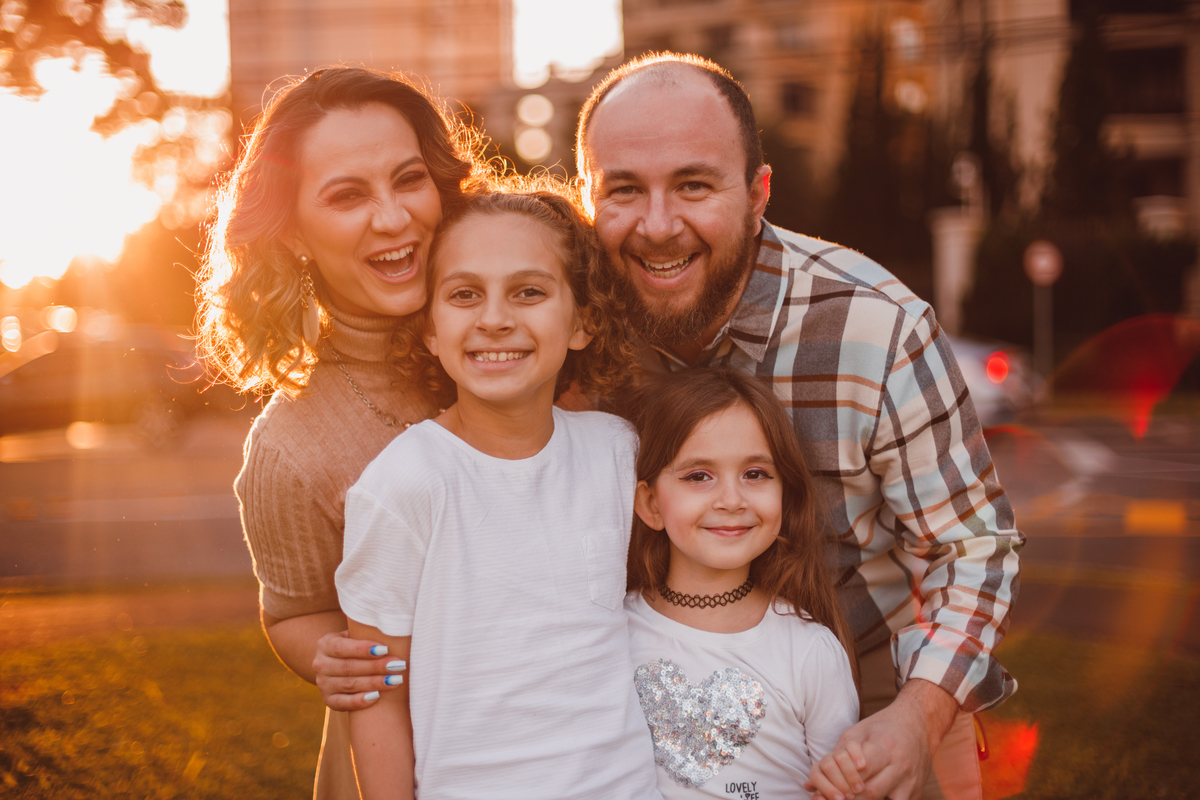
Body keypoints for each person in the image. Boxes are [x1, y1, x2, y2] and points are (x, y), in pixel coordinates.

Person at [575, 52, 1023, 800]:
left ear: (758, 194)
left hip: (866, 704)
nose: (657, 226)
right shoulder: (564, 328)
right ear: (589, 196)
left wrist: (917, 718)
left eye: (693, 185)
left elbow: (972, 548)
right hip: (635, 711)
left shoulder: (877, 328)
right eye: (624, 190)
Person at [195, 66, 489, 799]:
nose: (392, 218)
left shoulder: (522, 338)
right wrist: (328, 654)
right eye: (348, 195)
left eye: (409, 180)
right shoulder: (289, 445)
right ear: (293, 233)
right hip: (406, 757)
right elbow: (293, 614)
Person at [333, 190, 660, 799]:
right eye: (464, 295)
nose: (494, 319)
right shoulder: (404, 483)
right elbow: (378, 695)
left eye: (528, 292)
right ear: (430, 329)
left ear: (583, 321)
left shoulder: (619, 453)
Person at [623, 368, 860, 799]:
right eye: (699, 476)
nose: (732, 500)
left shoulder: (810, 650)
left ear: (784, 492)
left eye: (755, 474)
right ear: (651, 503)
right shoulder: (612, 634)